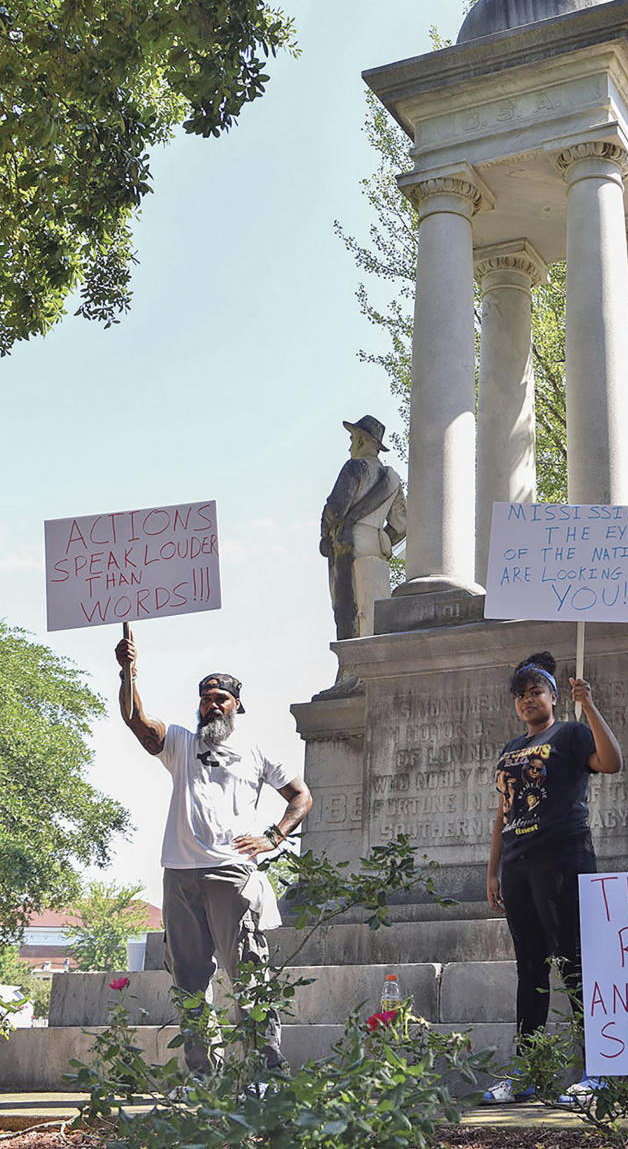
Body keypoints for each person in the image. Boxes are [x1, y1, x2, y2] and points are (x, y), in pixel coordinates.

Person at [115, 636, 312, 1081]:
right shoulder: (181, 743)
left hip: (232, 875)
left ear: (236, 705)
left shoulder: (258, 751)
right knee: (189, 984)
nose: (210, 706)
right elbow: (136, 719)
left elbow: (301, 796)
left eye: (219, 698)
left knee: (249, 978)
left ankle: (266, 1076)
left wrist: (274, 836)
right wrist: (127, 672)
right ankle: (204, 1078)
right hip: (180, 877)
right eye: (204, 699)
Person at [484, 651, 622, 1105]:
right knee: (530, 967)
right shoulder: (509, 750)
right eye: (520, 695)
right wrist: (492, 870)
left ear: (553, 696)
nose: (527, 701)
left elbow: (611, 761)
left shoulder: (571, 732)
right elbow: (504, 811)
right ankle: (529, 1071)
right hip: (518, 863)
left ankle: (598, 1072)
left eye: (536, 692)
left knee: (575, 963)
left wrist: (592, 708)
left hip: (563, 856)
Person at [320, 414, 406, 641]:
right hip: (378, 546)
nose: (350, 446)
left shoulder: (354, 468)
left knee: (349, 609)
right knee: (374, 612)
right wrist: (380, 537)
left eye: (352, 439)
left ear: (360, 440)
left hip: (350, 544)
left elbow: (336, 509)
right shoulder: (392, 478)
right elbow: (401, 524)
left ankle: (351, 670)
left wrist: (324, 533)